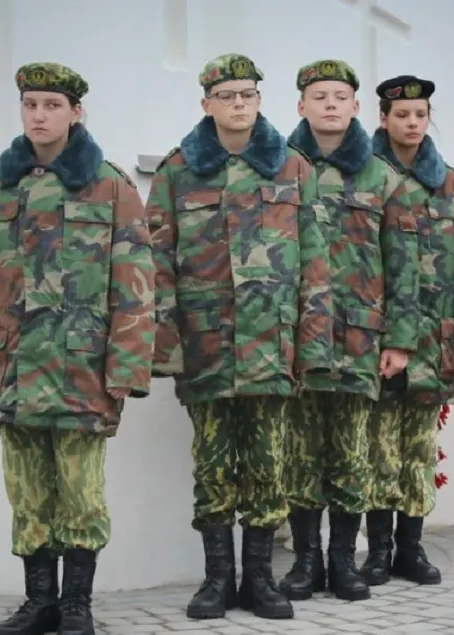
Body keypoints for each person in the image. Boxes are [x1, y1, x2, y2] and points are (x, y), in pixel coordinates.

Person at [0, 62, 155, 635]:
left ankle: (78, 605)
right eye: (31, 104)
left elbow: (134, 286)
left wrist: (127, 367)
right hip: (10, 365)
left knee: (81, 495)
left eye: (52, 105)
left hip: (81, 369)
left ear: (75, 112)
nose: (40, 115)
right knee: (28, 493)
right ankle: (40, 603)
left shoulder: (110, 185)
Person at [145, 53, 334, 622]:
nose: (238, 105)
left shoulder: (292, 168)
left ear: (259, 100)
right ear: (207, 104)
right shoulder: (178, 171)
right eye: (227, 96)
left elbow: (316, 267)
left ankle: (259, 578)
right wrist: (167, 349)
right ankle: (216, 579)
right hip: (205, 348)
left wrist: (312, 346)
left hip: (271, 347)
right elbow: (156, 265)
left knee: (267, 465)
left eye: (248, 95)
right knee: (211, 467)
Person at [279, 59, 420, 603]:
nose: (331, 105)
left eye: (340, 96)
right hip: (299, 338)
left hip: (362, 338)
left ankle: (343, 562)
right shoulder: (284, 169)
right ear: (301, 106)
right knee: (300, 452)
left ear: (357, 107)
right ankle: (305, 563)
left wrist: (402, 340)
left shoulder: (382, 176)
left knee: (351, 452)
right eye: (320, 97)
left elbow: (405, 261)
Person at [364, 74, 454, 586]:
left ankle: (410, 549)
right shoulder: (365, 175)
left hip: (432, 343)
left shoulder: (450, 184)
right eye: (402, 116)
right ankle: (375, 552)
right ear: (383, 119)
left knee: (418, 449)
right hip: (375, 340)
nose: (412, 123)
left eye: (420, 115)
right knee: (376, 448)